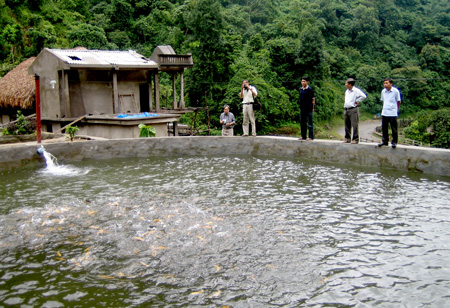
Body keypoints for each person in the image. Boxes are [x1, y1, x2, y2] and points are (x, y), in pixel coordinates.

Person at [378, 78, 401, 149]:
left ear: (391, 83)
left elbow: (398, 101)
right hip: (385, 112)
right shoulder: (383, 91)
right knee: (384, 128)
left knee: (394, 128)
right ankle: (385, 141)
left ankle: (394, 142)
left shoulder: (395, 91)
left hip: (393, 112)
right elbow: (383, 101)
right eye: (384, 83)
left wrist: (396, 109)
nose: (385, 85)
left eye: (387, 83)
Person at [344, 78, 367, 144]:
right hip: (346, 108)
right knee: (347, 125)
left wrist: (357, 101)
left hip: (353, 109)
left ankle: (355, 139)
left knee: (354, 124)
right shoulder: (347, 91)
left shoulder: (356, 90)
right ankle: (347, 138)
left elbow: (363, 96)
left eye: (346, 83)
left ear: (350, 84)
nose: (345, 85)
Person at [298, 76, 315, 140]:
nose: (303, 82)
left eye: (304, 81)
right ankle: (303, 136)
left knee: (310, 123)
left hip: (309, 108)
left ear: (307, 82)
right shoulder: (301, 89)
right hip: (302, 108)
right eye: (302, 81)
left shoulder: (310, 89)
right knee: (303, 122)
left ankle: (311, 136)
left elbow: (313, 99)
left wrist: (313, 108)